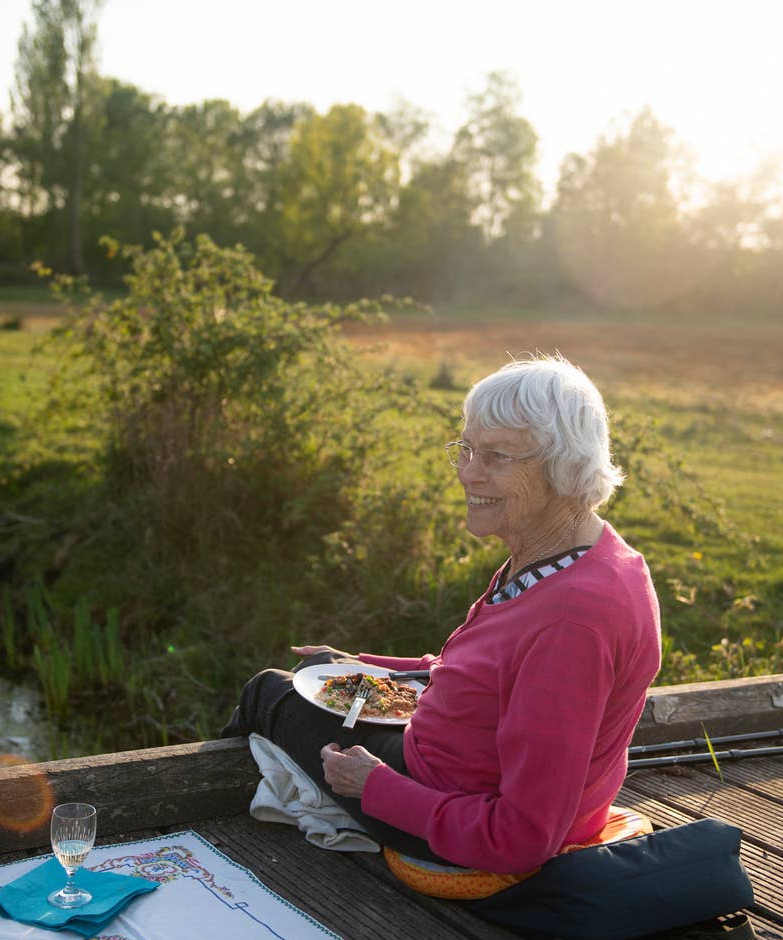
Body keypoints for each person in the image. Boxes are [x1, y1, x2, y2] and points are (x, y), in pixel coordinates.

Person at [222, 354, 661, 875]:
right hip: (446, 757)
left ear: (564, 468)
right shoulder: (573, 556)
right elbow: (496, 679)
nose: (468, 473)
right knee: (313, 672)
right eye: (468, 449)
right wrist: (367, 666)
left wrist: (377, 787)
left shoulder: (572, 621)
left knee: (269, 691)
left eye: (497, 456)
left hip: (442, 807)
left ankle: (211, 831)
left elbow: (522, 838)